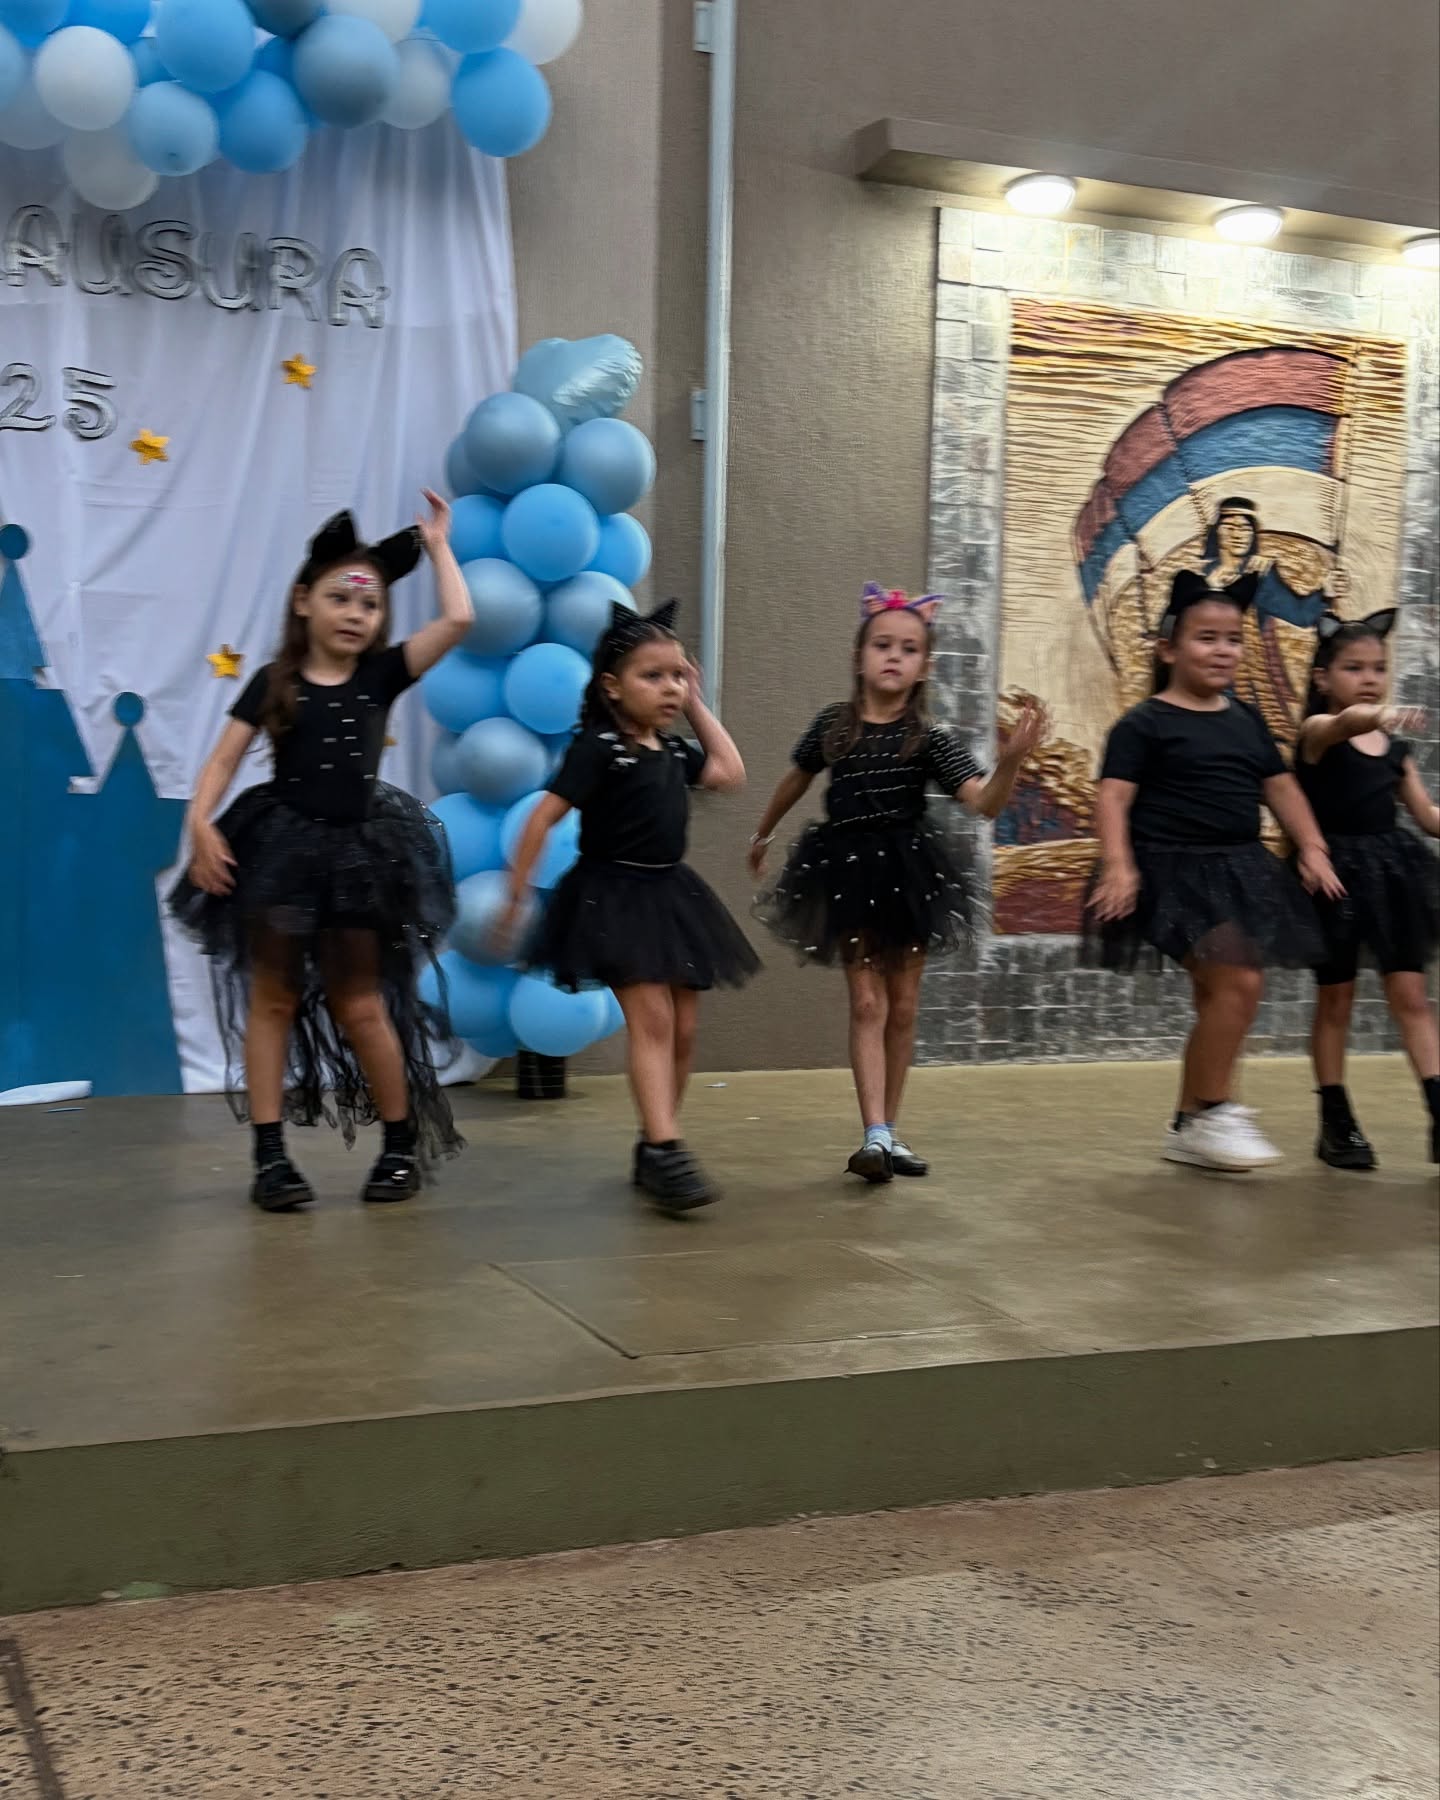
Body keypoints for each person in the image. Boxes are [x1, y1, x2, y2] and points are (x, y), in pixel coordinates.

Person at [172, 497, 473, 1212]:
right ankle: (270, 1158)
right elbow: (223, 760)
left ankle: (397, 1146)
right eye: (340, 598)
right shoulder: (273, 681)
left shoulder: (382, 675)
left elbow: (459, 619)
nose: (354, 614)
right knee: (273, 998)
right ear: (303, 600)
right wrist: (200, 823)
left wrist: (438, 546)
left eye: (369, 605)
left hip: (357, 860)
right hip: (283, 854)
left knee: (360, 1002)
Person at [749, 585, 1049, 1184]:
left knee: (904, 1007)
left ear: (924, 666)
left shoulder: (929, 740)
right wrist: (763, 832)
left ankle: (888, 1130)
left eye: (909, 649)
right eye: (882, 645)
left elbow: (985, 804)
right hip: (846, 870)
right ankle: (874, 1135)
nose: (894, 656)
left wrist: (1012, 760)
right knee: (867, 1002)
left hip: (909, 874)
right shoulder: (834, 726)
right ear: (859, 656)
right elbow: (796, 779)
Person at [500, 599, 758, 1214]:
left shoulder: (672, 751)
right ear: (612, 687)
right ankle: (667, 1148)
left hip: (669, 894)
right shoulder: (598, 748)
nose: (670, 687)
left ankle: (654, 1138)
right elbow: (543, 816)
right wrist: (517, 888)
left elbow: (730, 771)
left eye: (678, 676)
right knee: (654, 1021)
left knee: (684, 1028)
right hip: (611, 896)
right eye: (654, 676)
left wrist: (696, 704)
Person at [1086, 570, 1341, 1174]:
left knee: (1217, 994)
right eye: (1207, 638)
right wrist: (1119, 866)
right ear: (1168, 648)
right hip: (1169, 872)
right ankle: (1214, 1109)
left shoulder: (1245, 719)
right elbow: (1113, 797)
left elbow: (1281, 788)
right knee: (1241, 982)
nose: (1223, 650)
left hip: (1237, 868)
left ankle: (1187, 1124)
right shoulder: (1143, 724)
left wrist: (1312, 847)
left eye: (1233, 639)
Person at [1294, 609, 1439, 1168]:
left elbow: (1427, 817)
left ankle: (1439, 1109)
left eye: (1378, 668)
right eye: (1353, 668)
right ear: (1322, 677)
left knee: (1412, 997)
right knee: (1337, 999)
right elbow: (1346, 724)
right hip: (1333, 876)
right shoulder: (1316, 733)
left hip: (1393, 876)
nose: (1370, 678)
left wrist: (1384, 720)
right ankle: (1336, 1121)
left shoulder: (1396, 751)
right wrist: (1376, 713)